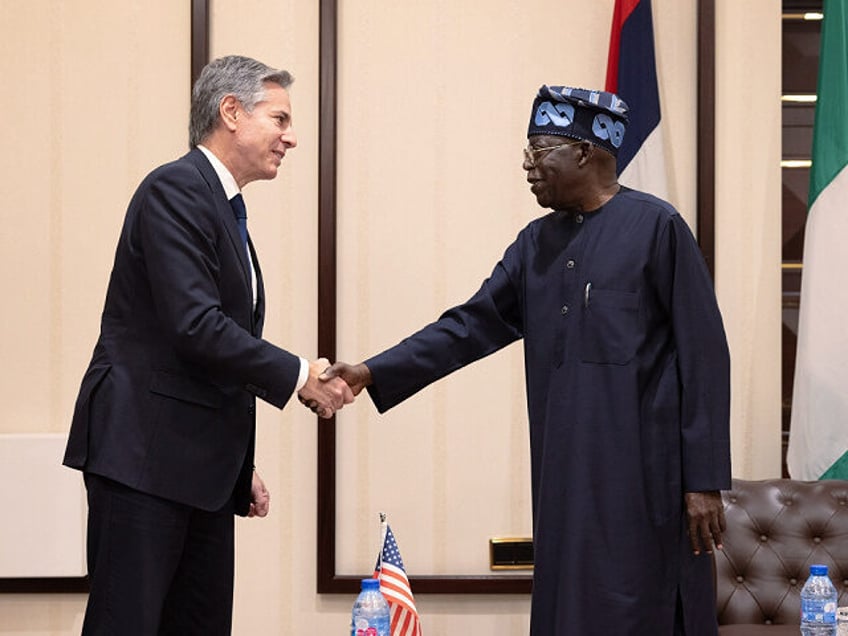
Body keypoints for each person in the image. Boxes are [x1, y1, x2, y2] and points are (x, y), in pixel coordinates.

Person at [315, 86, 731, 635]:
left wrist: (702, 480)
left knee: (643, 608)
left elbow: (704, 356)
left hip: (645, 479)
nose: (527, 167)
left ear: (584, 153)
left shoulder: (658, 228)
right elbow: (467, 326)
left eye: (539, 151)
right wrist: (372, 371)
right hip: (563, 477)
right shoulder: (536, 245)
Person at [63, 55, 352, 635]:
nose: (291, 138)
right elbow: (196, 327)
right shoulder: (174, 189)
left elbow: (208, 353)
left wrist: (234, 464)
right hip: (142, 460)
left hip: (197, 472)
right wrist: (301, 376)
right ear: (231, 112)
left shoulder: (222, 207)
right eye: (280, 118)